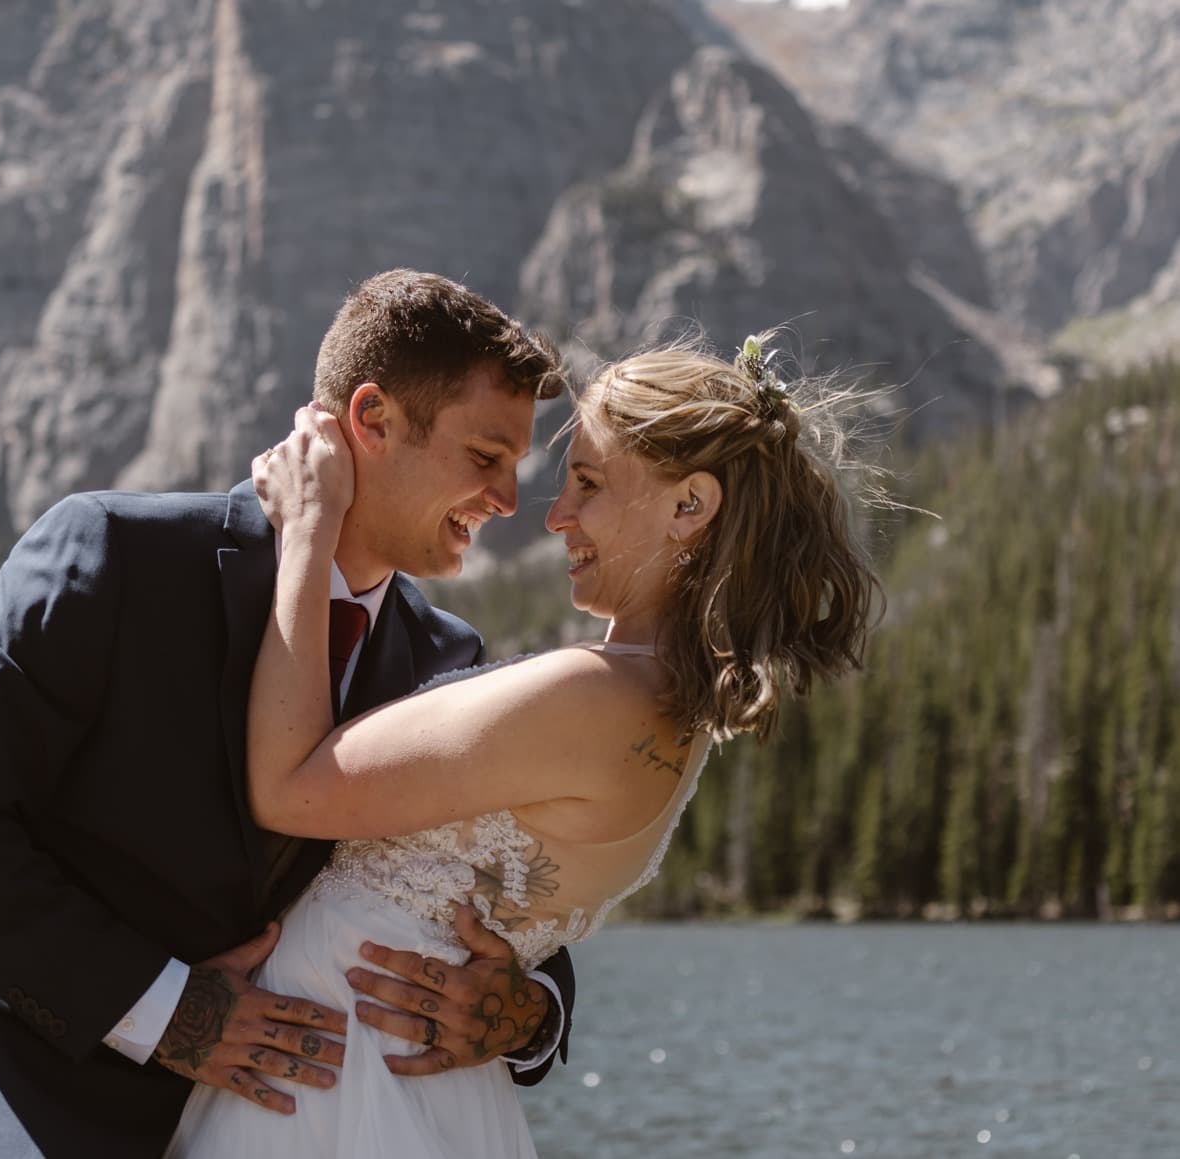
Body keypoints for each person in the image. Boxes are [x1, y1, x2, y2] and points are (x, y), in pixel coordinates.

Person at [0, 270, 579, 1158]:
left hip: (274, 1122)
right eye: (485, 457)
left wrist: (527, 1010)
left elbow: (508, 903)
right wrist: (164, 1008)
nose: (510, 501)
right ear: (371, 420)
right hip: (15, 1073)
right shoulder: (113, 553)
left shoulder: (450, 665)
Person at [171, 333, 881, 1156]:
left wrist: (308, 526)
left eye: (586, 482)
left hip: (334, 1083)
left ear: (690, 506)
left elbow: (291, 787)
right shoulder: (666, 706)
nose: (555, 516)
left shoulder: (595, 694)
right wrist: (533, 1013)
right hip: (402, 1080)